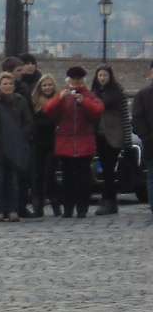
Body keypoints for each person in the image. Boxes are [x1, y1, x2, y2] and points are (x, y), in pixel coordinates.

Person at [42, 66, 103, 218]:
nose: (76, 82)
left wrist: (84, 102)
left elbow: (98, 110)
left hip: (84, 143)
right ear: (69, 80)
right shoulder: (62, 95)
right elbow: (47, 110)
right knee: (67, 178)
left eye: (78, 80)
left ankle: (82, 208)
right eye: (73, 80)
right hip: (65, 144)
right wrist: (59, 99)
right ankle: (68, 208)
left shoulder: (89, 95)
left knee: (83, 179)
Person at [0, 72, 34, 222]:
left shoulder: (21, 102)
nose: (8, 86)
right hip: (1, 148)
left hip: (16, 147)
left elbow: (28, 122)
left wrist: (21, 135)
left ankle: (13, 210)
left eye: (10, 84)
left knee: (13, 181)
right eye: (5, 84)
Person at [91, 65, 128, 215]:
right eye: (100, 75)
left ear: (110, 76)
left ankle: (107, 200)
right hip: (98, 134)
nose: (102, 78)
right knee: (106, 169)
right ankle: (110, 201)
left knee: (108, 168)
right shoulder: (93, 92)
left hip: (113, 134)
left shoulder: (117, 92)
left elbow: (125, 116)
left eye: (105, 75)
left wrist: (127, 138)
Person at [29, 74, 62, 216]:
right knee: (38, 174)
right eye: (44, 85)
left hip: (54, 142)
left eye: (50, 85)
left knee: (50, 173)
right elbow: (33, 122)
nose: (47, 88)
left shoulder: (59, 101)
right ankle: (37, 203)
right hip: (38, 141)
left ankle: (55, 201)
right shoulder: (34, 102)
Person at [132, 62, 153, 216]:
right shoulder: (143, 95)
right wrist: (147, 138)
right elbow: (137, 119)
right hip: (151, 142)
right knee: (152, 177)